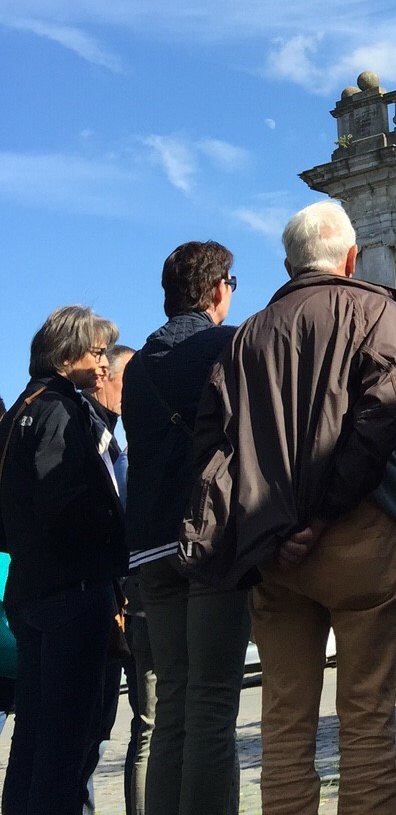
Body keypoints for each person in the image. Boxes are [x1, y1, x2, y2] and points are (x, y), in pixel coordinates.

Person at [183, 201, 396, 815]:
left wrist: (273, 528)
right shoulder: (376, 309)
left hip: (272, 549)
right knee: (367, 720)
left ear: (288, 266)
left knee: (285, 729)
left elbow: (215, 454)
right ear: (350, 257)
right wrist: (321, 515)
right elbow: (380, 421)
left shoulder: (244, 338)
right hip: (357, 530)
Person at [124, 241, 246, 815]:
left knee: (172, 702)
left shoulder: (138, 365)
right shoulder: (227, 347)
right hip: (210, 538)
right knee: (214, 703)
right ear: (219, 287)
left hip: (149, 547)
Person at [0, 307, 127, 815]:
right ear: (66, 353)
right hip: (69, 590)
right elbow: (62, 499)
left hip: (33, 588)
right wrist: (113, 539)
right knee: (65, 743)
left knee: (33, 737)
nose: (103, 365)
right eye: (97, 353)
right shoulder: (57, 408)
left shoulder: (19, 410)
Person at [84, 343, 148, 815]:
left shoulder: (118, 442)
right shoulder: (92, 439)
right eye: (127, 380)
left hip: (124, 603)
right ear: (103, 378)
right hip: (105, 605)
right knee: (94, 735)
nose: (133, 392)